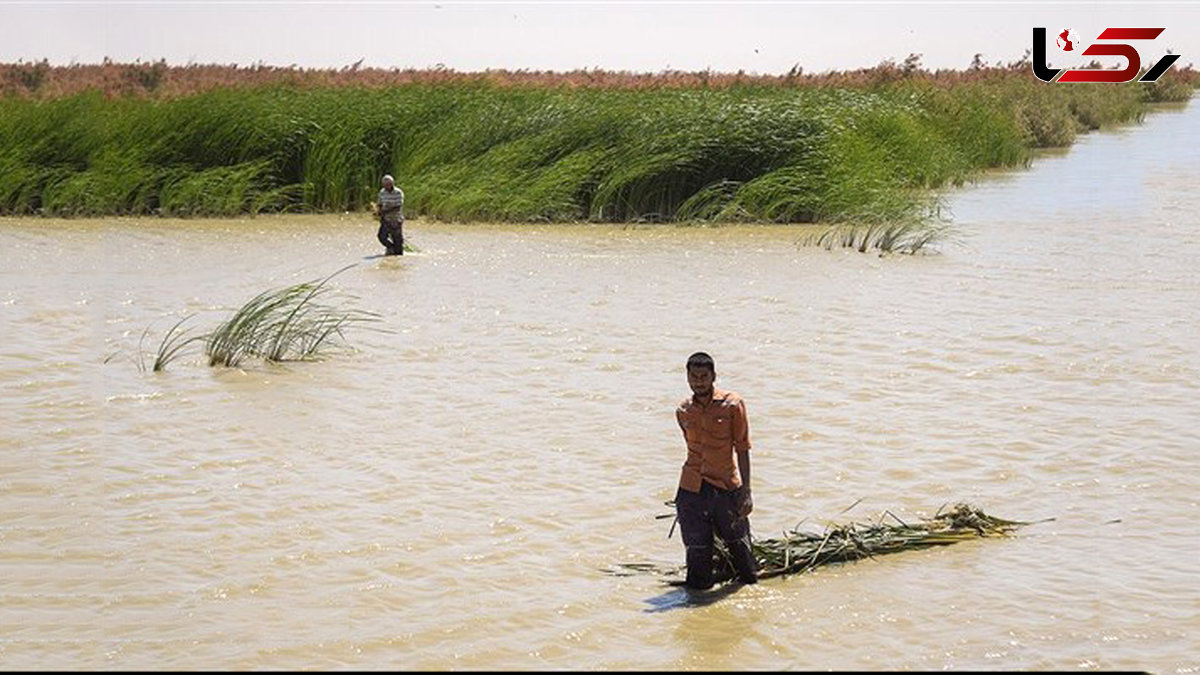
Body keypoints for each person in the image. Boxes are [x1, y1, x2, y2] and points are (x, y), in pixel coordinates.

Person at [673, 351, 758, 590]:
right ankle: (697, 604)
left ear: (713, 377)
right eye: (693, 376)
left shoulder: (732, 405)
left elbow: (742, 448)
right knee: (697, 551)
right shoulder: (683, 410)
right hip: (691, 489)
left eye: (703, 376)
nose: (698, 381)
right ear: (687, 378)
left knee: (741, 550)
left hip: (726, 486)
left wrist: (747, 492)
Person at [377, 174, 405, 255]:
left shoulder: (398, 192)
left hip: (396, 219)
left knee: (398, 244)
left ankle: (396, 252)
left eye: (389, 184)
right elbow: (380, 203)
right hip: (386, 219)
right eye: (386, 184)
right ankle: (390, 247)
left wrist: (385, 211)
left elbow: (398, 207)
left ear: (392, 183)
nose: (387, 186)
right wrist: (379, 212)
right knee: (381, 237)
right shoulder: (382, 192)